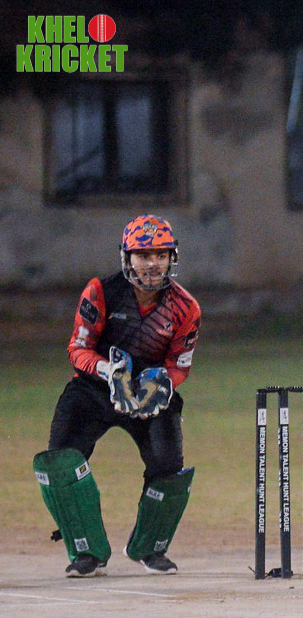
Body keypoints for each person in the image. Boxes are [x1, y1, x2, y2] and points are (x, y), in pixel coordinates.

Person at [33, 214, 201, 578]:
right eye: (144, 255)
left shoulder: (186, 307)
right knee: (60, 461)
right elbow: (78, 349)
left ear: (172, 257)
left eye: (161, 254)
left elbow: (179, 364)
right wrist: (110, 372)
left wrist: (164, 383)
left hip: (149, 391)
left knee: (169, 468)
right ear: (127, 257)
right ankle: (87, 552)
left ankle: (149, 548)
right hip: (95, 387)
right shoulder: (101, 291)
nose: (153, 263)